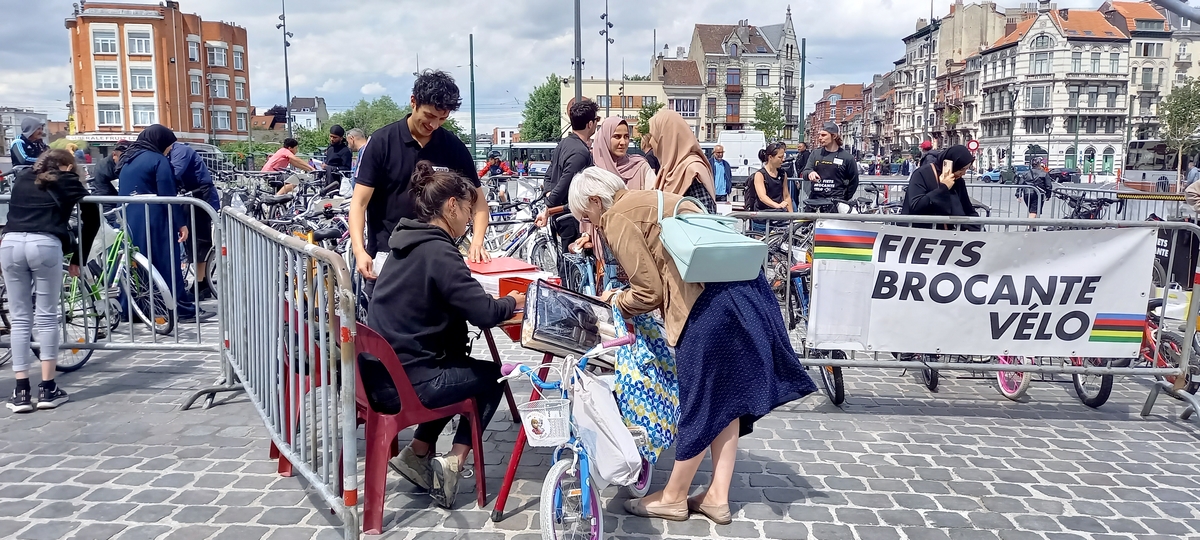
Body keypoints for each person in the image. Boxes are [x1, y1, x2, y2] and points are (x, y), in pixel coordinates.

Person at [566, 166, 816, 524]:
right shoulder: (655, 199)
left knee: (699, 401)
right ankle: (716, 497)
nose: (588, 223)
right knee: (725, 401)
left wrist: (615, 299)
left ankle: (673, 496)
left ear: (594, 200)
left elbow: (648, 291)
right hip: (743, 293)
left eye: (585, 215)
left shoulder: (618, 216)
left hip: (708, 306)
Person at [366, 161, 522, 508]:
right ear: (452, 205)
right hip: (406, 383)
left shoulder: (405, 242)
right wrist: (513, 300)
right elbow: (483, 313)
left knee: (457, 365)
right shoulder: (438, 250)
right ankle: (453, 463)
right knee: (493, 378)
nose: (470, 219)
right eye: (468, 209)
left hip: (381, 374)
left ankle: (418, 453)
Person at [352, 69, 490, 296]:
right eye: (429, 116)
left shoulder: (452, 146)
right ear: (413, 102)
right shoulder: (382, 142)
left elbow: (480, 203)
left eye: (442, 119)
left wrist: (477, 242)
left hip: (438, 259)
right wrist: (359, 250)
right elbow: (358, 203)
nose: (434, 125)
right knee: (383, 328)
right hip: (389, 257)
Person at [3, 149, 101, 412]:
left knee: (20, 317)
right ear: (68, 167)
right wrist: (78, 258)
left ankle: (21, 390)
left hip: (10, 244)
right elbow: (92, 219)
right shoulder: (68, 180)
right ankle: (48, 388)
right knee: (46, 316)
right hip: (44, 244)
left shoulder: (23, 177)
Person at [118, 124, 211, 323]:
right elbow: (168, 195)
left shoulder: (128, 159)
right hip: (155, 217)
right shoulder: (158, 160)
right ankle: (178, 307)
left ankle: (135, 308)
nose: (169, 150)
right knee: (166, 261)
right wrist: (181, 223)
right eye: (169, 145)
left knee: (136, 263)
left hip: (130, 217)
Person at [535, 100, 599, 252]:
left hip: (558, 216)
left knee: (563, 261)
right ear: (590, 124)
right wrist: (550, 201)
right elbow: (566, 182)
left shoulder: (564, 143)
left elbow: (549, 174)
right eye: (596, 120)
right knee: (572, 262)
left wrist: (548, 194)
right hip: (570, 215)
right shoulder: (580, 152)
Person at [169, 142, 222, 300]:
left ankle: (200, 284)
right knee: (195, 240)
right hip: (193, 195)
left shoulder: (180, 151)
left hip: (199, 195)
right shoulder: (175, 151)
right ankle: (203, 282)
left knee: (199, 239)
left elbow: (175, 173)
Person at [643, 108, 717, 213]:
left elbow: (704, 218)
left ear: (666, 138)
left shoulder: (692, 171)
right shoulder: (670, 170)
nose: (650, 141)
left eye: (654, 136)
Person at [901, 144, 980, 228]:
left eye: (966, 169)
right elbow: (916, 206)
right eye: (961, 169)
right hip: (922, 232)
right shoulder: (922, 174)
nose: (963, 173)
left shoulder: (958, 181)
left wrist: (978, 229)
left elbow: (967, 208)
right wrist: (943, 188)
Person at [801, 123, 860, 209]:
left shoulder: (847, 157)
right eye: (820, 135)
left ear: (834, 136)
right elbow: (805, 172)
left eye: (824, 135)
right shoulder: (815, 154)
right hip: (815, 201)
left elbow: (854, 181)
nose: (820, 138)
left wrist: (844, 198)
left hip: (836, 203)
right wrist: (810, 173)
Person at [593, 117, 654, 190]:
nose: (623, 142)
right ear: (605, 139)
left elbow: (654, 197)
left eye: (626, 137)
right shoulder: (594, 172)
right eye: (617, 136)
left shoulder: (640, 167)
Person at [748, 142, 792, 231]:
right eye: (780, 157)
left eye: (783, 157)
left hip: (778, 217)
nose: (782, 160)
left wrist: (792, 216)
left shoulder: (783, 173)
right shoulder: (760, 174)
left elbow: (786, 196)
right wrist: (777, 205)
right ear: (770, 157)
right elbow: (762, 196)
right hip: (762, 217)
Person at [345, 128, 369, 195]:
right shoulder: (366, 150)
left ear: (351, 138)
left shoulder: (364, 152)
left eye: (348, 142)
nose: (348, 145)